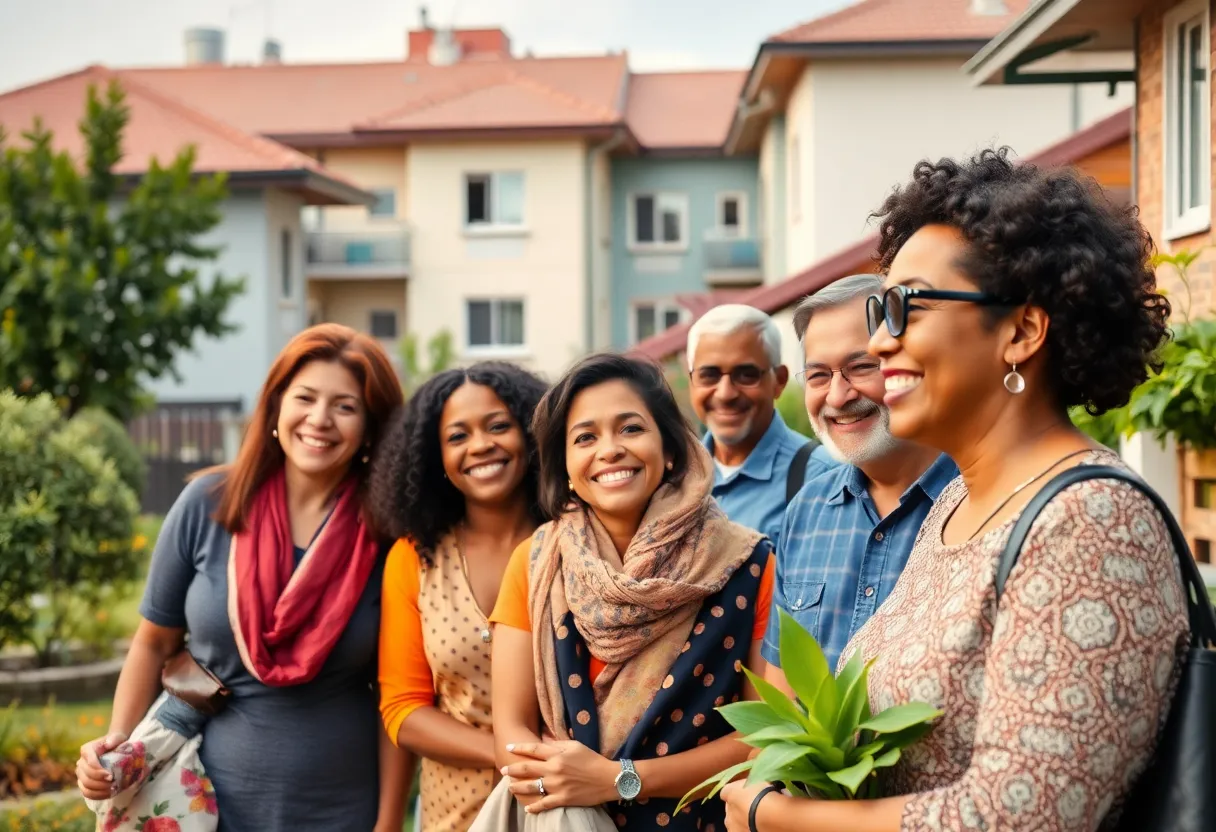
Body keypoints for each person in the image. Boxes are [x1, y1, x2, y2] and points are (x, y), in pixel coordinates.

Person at [722, 149, 1190, 831]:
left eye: (907, 306)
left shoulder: (1090, 520)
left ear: (1022, 331)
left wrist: (781, 817)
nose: (882, 343)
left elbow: (1020, 817)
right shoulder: (956, 506)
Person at [75, 323, 414, 831]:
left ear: (370, 428)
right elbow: (151, 643)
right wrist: (117, 745)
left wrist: (388, 826)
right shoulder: (207, 505)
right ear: (277, 405)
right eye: (306, 398)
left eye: (345, 406)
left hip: (343, 809)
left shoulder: (389, 535)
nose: (320, 419)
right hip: (203, 806)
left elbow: (398, 696)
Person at [487, 354, 776, 831]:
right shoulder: (536, 562)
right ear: (566, 465)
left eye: (630, 429)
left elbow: (765, 737)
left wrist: (618, 779)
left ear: (669, 449)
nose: (609, 450)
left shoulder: (748, 564)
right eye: (585, 437)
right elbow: (511, 730)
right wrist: (558, 784)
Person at [372, 362, 549, 832]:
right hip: (456, 815)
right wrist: (509, 753)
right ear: (437, 459)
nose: (481, 445)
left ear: (531, 435)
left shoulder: (575, 541)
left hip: (568, 804)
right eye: (457, 436)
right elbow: (403, 708)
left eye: (498, 426)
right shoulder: (414, 558)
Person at [764, 274, 957, 673]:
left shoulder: (976, 498)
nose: (837, 396)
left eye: (861, 366)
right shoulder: (807, 512)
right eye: (818, 375)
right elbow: (778, 702)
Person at [686, 304, 835, 549]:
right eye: (709, 375)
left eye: (746, 375)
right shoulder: (673, 479)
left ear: (779, 381)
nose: (725, 394)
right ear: (692, 380)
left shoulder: (824, 479)